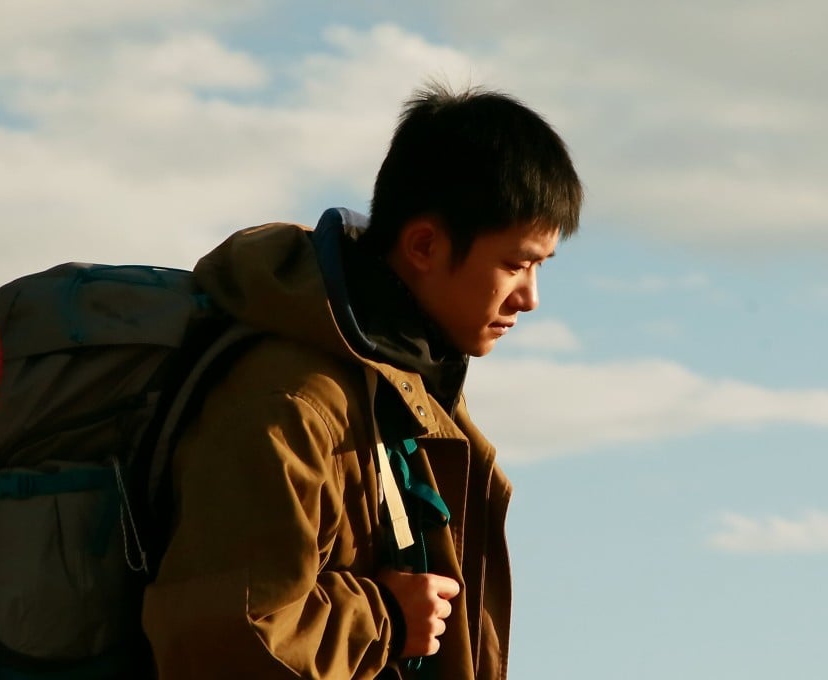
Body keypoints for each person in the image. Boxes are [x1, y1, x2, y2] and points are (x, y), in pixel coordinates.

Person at [142, 83, 583, 679]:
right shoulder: (292, 402)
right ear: (424, 245)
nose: (530, 298)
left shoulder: (408, 389)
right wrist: (387, 620)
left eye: (540, 266)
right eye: (515, 263)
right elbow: (225, 638)